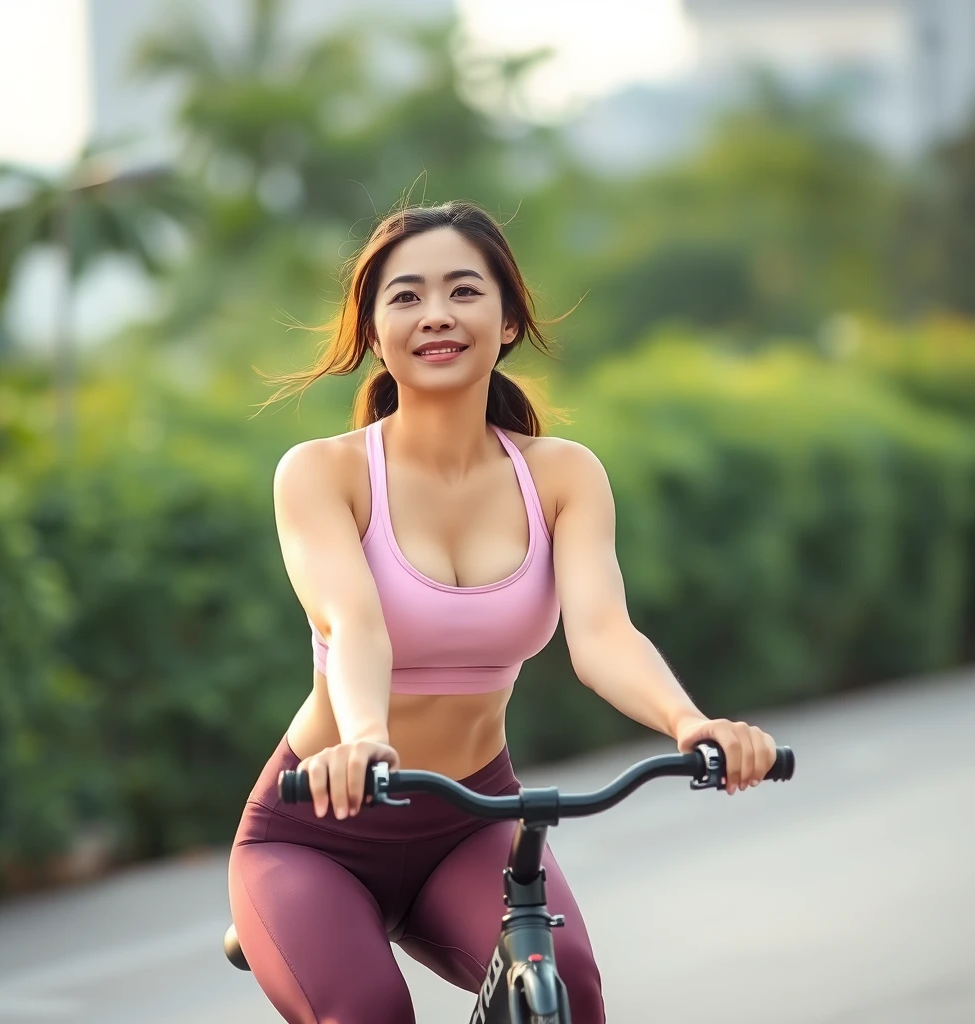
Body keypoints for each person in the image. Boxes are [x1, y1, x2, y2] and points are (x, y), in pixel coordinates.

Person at [228, 200, 778, 1024]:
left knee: (570, 990)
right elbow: (354, 625)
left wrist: (690, 723)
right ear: (374, 331)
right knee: (368, 1011)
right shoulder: (321, 473)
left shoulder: (563, 475)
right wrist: (367, 736)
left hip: (469, 822)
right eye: (406, 297)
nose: (437, 316)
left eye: (463, 291)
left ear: (510, 318)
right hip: (320, 826)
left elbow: (603, 636)